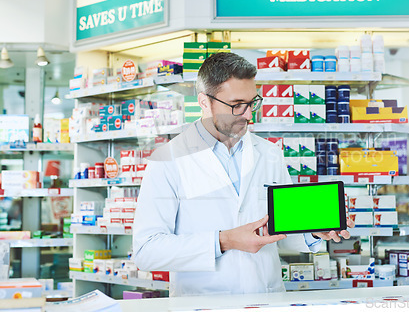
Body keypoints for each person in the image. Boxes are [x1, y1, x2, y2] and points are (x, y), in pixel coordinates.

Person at [133, 52, 353, 297]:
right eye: (237, 105)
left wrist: (313, 230)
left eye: (252, 102)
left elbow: (282, 233)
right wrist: (223, 241)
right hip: (204, 303)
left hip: (266, 299)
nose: (249, 115)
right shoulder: (168, 160)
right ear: (204, 101)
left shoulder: (270, 153)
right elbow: (146, 251)